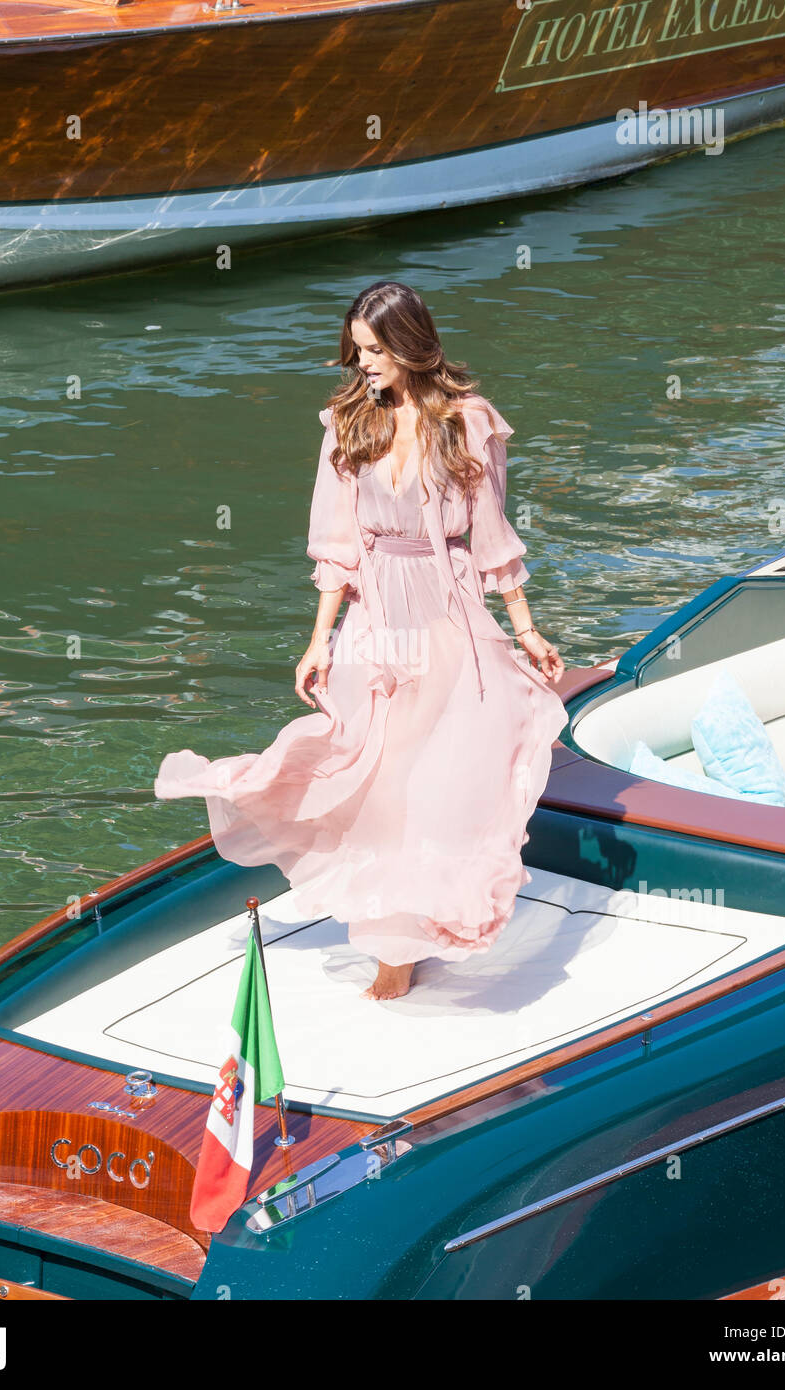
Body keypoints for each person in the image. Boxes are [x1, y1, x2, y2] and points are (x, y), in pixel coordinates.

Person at [155, 280, 568, 1000]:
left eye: (376, 350)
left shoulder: (466, 422)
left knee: (440, 778)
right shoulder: (349, 422)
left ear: (410, 344)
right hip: (377, 622)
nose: (364, 364)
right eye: (358, 350)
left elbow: (493, 536)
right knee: (371, 774)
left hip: (449, 615)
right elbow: (337, 546)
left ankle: (405, 943)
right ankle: (393, 934)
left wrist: (525, 628)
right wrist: (318, 640)